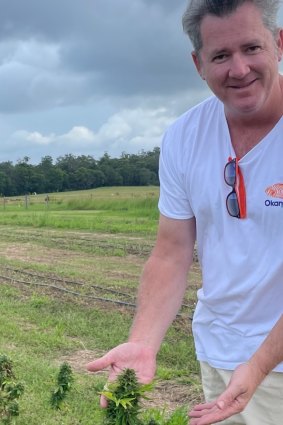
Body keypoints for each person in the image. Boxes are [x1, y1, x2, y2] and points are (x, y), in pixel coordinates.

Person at [87, 1, 283, 423]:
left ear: (279, 43)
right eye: (220, 56)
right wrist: (143, 341)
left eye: (252, 48)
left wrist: (260, 363)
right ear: (198, 64)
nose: (239, 69)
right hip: (219, 354)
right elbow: (171, 252)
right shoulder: (183, 137)